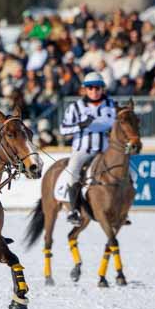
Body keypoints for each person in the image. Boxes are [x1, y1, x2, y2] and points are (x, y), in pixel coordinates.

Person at [58, 72, 116, 225]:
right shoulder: (75, 107)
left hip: (106, 151)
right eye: (90, 88)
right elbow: (63, 129)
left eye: (97, 87)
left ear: (102, 88)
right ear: (84, 89)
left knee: (130, 172)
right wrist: (80, 126)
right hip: (83, 150)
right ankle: (74, 210)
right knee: (73, 173)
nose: (94, 91)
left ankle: (121, 209)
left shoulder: (112, 105)